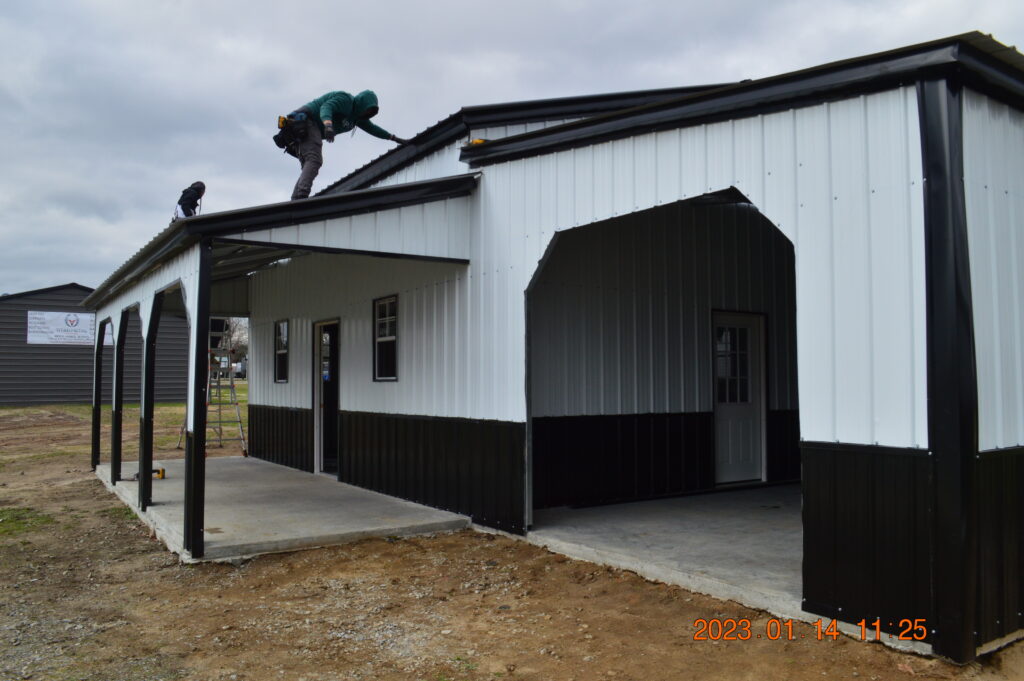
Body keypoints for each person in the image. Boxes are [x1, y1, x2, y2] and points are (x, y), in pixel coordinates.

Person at [286, 90, 409, 200]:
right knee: (314, 160)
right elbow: (326, 107)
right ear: (362, 103)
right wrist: (328, 125)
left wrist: (395, 138)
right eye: (367, 108)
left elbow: (373, 129)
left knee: (310, 164)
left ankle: (296, 200)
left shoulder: (356, 118)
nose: (367, 112)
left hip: (309, 128)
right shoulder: (346, 100)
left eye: (370, 111)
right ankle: (301, 196)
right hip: (305, 120)